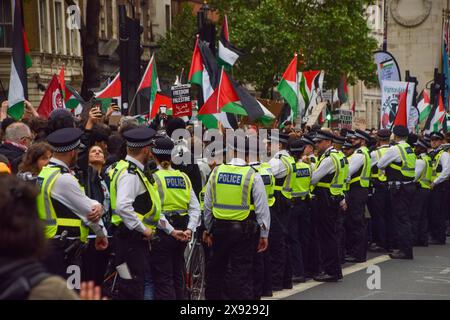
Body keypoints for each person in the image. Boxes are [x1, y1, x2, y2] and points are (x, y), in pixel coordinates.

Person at [203, 135, 270, 300]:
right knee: (241, 272)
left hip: (219, 229)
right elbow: (262, 209)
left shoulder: (216, 172)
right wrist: (264, 235)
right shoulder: (252, 175)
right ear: (248, 156)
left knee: (216, 270)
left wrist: (208, 228)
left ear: (232, 152)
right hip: (243, 232)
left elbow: (207, 205)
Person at [36, 128, 109, 278]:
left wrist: (98, 206)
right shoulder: (64, 178)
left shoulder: (46, 172)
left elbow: (85, 202)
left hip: (51, 244)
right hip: (64, 247)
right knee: (69, 292)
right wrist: (101, 234)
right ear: (72, 153)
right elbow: (88, 212)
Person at [108, 126, 161, 300]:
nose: (152, 154)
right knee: (132, 286)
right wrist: (142, 229)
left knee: (129, 284)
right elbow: (123, 206)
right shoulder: (130, 174)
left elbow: (147, 208)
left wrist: (169, 230)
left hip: (127, 239)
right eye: (151, 149)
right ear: (145, 150)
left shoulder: (126, 167)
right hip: (130, 240)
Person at [148, 137, 200, 300]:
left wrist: (171, 231)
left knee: (164, 279)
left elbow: (155, 210)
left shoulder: (153, 177)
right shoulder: (183, 177)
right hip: (183, 231)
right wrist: (189, 229)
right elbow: (195, 207)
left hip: (164, 233)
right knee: (178, 274)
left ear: (153, 155)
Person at [310, 130, 347, 282]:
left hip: (325, 199)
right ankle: (333, 270)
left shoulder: (329, 159)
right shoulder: (340, 156)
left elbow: (313, 179)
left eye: (319, 142)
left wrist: (309, 167)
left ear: (328, 142)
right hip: (334, 198)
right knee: (331, 236)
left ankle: (330, 271)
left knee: (327, 237)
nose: (316, 145)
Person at [377, 125, 416, 259]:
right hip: (409, 186)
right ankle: (406, 248)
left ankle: (405, 250)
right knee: (405, 219)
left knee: (401, 220)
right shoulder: (409, 148)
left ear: (394, 135)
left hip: (399, 188)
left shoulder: (395, 149)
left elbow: (380, 164)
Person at [80, 145, 112, 286]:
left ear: (104, 160)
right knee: (89, 277)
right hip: (91, 233)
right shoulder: (85, 178)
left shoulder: (107, 180)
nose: (98, 152)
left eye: (100, 151)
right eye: (93, 151)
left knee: (100, 276)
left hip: (106, 232)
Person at [267, 133, 294, 291]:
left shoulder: (277, 161)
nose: (268, 147)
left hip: (277, 203)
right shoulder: (288, 159)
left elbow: (263, 174)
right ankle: (285, 279)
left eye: (271, 144)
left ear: (280, 145)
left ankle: (277, 281)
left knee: (277, 244)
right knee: (283, 242)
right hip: (285, 202)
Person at [286, 138, 312, 284]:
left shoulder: (290, 167)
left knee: (293, 240)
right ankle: (306, 269)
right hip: (305, 204)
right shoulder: (308, 167)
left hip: (293, 206)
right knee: (304, 238)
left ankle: (298, 271)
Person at [345, 129, 371, 263]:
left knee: (356, 222)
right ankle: (358, 252)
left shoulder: (359, 154)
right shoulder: (365, 152)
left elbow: (347, 171)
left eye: (355, 139)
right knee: (357, 222)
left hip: (356, 190)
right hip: (360, 189)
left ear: (362, 141)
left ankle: (358, 254)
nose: (352, 140)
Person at [368, 129, 392, 252]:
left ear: (378, 139)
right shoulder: (394, 151)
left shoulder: (375, 154)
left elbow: (368, 168)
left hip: (379, 186)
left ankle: (380, 242)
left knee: (379, 216)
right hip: (391, 186)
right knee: (390, 215)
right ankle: (390, 242)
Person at [428, 131, 450, 245]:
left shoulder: (444, 154)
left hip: (440, 186)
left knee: (439, 212)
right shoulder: (432, 153)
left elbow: (446, 171)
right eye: (432, 140)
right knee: (433, 211)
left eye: (436, 140)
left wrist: (435, 182)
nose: (433, 142)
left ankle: (439, 237)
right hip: (433, 186)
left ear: (441, 142)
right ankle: (435, 235)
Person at [410, 139, 432, 247]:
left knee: (415, 215)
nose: (415, 149)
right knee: (423, 216)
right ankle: (423, 239)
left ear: (422, 148)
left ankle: (414, 238)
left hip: (420, 190)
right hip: (426, 189)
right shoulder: (428, 159)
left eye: (417, 147)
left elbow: (414, 177)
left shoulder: (420, 161)